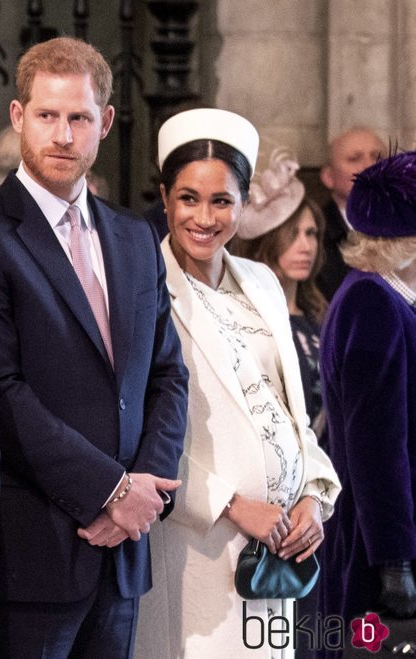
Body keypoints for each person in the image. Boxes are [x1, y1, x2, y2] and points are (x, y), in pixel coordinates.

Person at [0, 37, 189, 658]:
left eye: (79, 118)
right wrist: (110, 489)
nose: (62, 134)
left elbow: (166, 374)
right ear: (18, 117)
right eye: (48, 116)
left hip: (124, 554)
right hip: (28, 555)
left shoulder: (136, 236)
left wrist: (146, 494)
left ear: (104, 123)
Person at [135, 108, 341, 658]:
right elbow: (138, 430)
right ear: (164, 197)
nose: (205, 217)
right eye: (189, 198)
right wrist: (232, 505)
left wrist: (314, 497)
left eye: (222, 201)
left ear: (243, 204)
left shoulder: (263, 281)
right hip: (195, 545)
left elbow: (293, 411)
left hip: (279, 554)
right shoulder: (143, 283)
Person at [319, 150, 416, 627]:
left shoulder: (395, 297)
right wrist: (394, 561)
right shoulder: (371, 302)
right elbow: (375, 446)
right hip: (379, 543)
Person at [231, 148, 328, 436]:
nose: (306, 246)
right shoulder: (246, 318)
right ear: (267, 241)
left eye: (311, 233)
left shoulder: (321, 316)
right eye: (292, 234)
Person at [316, 127, 386, 301]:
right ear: (328, 176)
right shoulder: (314, 234)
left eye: (378, 157)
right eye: (354, 159)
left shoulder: (407, 228)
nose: (370, 166)